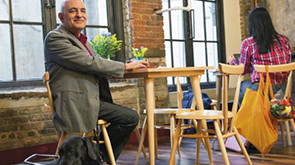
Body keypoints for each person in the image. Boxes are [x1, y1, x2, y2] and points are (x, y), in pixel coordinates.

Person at [44, 0, 148, 163]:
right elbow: (89, 63)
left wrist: (120, 69)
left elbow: (94, 64)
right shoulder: (56, 38)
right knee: (129, 117)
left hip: (90, 100)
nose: (79, 15)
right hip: (76, 102)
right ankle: (100, 159)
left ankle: (96, 157)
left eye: (83, 11)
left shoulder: (84, 41)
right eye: (72, 11)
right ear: (61, 17)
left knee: (129, 117)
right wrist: (124, 67)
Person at [229, 7, 291, 105]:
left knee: (242, 86)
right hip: (282, 90)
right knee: (242, 95)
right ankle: (269, 117)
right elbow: (287, 64)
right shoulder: (284, 40)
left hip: (262, 91)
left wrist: (233, 61)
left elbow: (242, 70)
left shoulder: (249, 43)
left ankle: (255, 118)